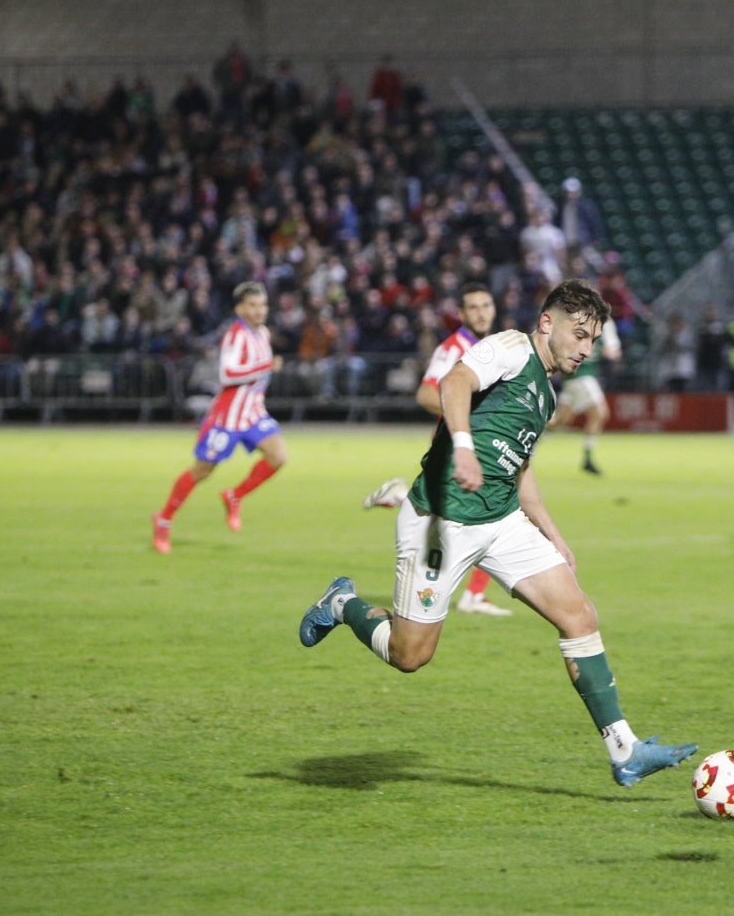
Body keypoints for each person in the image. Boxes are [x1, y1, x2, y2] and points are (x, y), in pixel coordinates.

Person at [296, 280, 698, 790]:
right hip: (441, 521)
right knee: (409, 655)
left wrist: (554, 535)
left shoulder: (547, 397)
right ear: (547, 323)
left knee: (578, 615)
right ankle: (341, 603)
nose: (585, 349)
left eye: (593, 341)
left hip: (502, 520)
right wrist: (462, 446)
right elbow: (453, 383)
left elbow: (521, 472)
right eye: (579, 335)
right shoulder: (509, 346)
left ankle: (625, 750)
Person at [362, 284, 512, 617]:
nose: (482, 312)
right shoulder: (452, 348)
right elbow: (426, 395)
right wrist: (466, 418)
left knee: (485, 513)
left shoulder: (490, 346)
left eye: (486, 304)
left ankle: (404, 497)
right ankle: (404, 498)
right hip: (458, 445)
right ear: (461, 314)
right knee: (491, 512)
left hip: (482, 445)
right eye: (473, 307)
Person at [152, 282, 286, 552]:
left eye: (262, 305)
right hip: (228, 416)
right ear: (240, 308)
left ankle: (235, 496)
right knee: (202, 471)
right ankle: (164, 519)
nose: (259, 311)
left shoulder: (263, 333)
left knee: (278, 457)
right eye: (253, 305)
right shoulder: (235, 335)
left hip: (253, 413)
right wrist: (265, 366)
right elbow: (228, 374)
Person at [552, 313, 621, 475]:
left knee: (558, 421)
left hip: (573, 379)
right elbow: (610, 351)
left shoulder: (578, 321)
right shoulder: (598, 324)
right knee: (600, 413)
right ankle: (588, 458)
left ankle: (526, 436)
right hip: (583, 377)